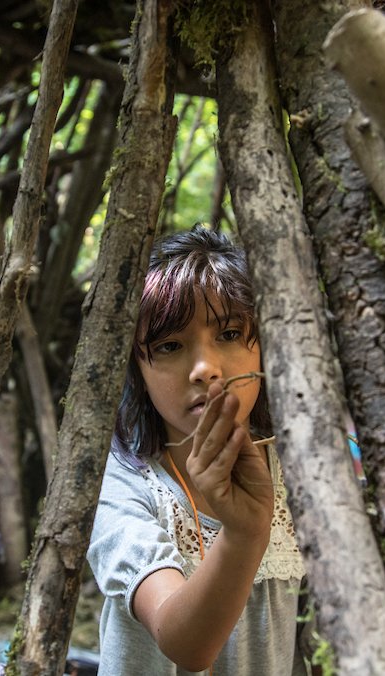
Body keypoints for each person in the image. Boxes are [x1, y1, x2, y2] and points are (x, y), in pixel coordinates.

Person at [87, 226, 308, 675]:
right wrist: (244, 533)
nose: (205, 369)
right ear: (137, 372)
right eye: (170, 346)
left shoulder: (305, 471)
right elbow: (184, 644)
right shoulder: (122, 480)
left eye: (228, 334)